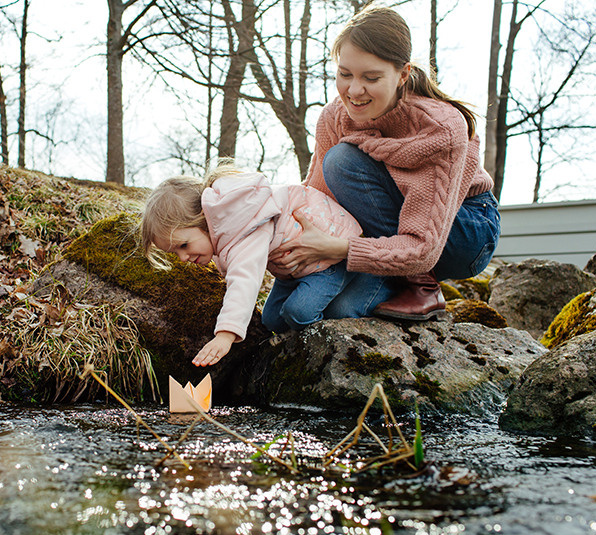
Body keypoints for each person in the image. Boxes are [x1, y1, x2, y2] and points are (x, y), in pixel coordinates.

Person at [270, 5, 501, 320]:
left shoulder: (441, 127)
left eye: (371, 77)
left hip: (461, 233)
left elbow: (423, 246)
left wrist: (339, 250)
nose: (354, 90)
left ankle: (423, 287)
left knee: (342, 160)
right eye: (345, 74)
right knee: (338, 310)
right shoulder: (334, 116)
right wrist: (290, 247)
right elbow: (318, 200)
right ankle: (389, 276)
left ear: (403, 73)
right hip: (391, 228)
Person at [141, 162, 364, 367]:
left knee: (298, 312)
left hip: (328, 259)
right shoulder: (222, 230)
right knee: (272, 320)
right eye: (174, 252)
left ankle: (332, 331)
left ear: (202, 217)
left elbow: (244, 280)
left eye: (183, 245)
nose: (183, 258)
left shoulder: (243, 225)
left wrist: (226, 335)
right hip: (292, 269)